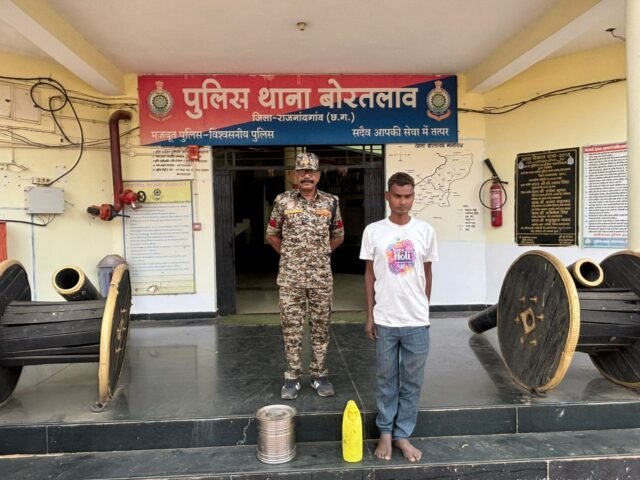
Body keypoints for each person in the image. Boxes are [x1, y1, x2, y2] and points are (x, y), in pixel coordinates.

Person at [359, 171, 438, 462]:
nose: (403, 202)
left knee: (413, 381)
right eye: (397, 196)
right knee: (386, 379)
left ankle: (402, 434)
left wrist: (423, 309)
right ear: (387, 197)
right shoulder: (374, 231)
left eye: (408, 196)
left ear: (413, 197)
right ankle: (385, 432)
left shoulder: (425, 231)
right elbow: (369, 275)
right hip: (386, 319)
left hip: (416, 320)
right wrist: (370, 316)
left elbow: (427, 272)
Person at [266, 152, 344, 399]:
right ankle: (292, 377)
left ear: (318, 175)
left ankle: (319, 375)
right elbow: (272, 234)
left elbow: (338, 235)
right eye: (302, 172)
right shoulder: (283, 201)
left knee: (321, 327)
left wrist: (321, 253)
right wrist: (289, 255)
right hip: (291, 278)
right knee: (291, 328)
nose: (307, 176)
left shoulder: (331, 202)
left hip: (321, 278)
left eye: (311, 172)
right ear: (294, 175)